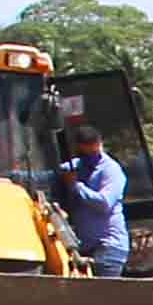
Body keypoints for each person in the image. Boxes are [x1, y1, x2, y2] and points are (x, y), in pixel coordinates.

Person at [54, 115, 132, 277]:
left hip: (108, 247)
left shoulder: (110, 170)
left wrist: (76, 185)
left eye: (92, 152)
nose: (89, 157)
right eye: (84, 152)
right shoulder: (79, 164)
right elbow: (57, 172)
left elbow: (104, 203)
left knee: (103, 297)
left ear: (99, 145)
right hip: (86, 246)